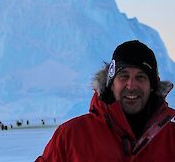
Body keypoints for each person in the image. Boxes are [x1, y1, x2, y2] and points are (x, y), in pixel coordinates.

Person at [35, 40, 175, 162]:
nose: (131, 86)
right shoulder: (71, 136)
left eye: (141, 77)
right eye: (123, 76)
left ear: (152, 86)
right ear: (111, 84)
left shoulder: (171, 139)